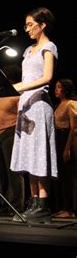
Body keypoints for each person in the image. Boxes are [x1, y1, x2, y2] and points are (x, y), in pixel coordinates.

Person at [10, 7, 58, 224]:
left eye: (31, 24)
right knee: (27, 153)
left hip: (39, 107)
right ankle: (33, 200)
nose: (27, 29)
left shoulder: (48, 47)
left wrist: (21, 86)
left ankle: (43, 203)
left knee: (39, 153)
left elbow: (47, 77)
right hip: (25, 107)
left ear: (43, 24)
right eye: (26, 25)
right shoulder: (28, 50)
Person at [0, 64, 25, 215]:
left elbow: (23, 116)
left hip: (11, 132)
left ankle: (16, 207)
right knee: (1, 175)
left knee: (13, 172)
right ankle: (5, 206)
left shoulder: (19, 91)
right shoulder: (1, 93)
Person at [51, 78, 77, 218]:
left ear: (66, 89)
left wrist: (67, 148)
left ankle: (70, 209)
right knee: (60, 175)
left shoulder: (71, 104)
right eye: (56, 87)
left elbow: (74, 128)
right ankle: (63, 207)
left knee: (69, 175)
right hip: (58, 139)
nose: (56, 89)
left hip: (68, 139)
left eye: (59, 87)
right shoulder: (58, 104)